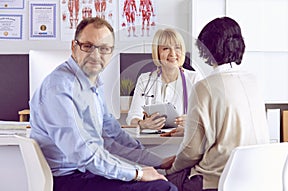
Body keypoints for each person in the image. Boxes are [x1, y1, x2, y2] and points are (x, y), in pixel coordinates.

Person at [29, 17, 177, 191]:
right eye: (88, 46)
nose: (96, 55)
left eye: (104, 49)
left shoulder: (93, 84)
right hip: (67, 180)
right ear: (74, 47)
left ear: (111, 52)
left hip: (86, 173)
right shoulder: (59, 88)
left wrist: (157, 161)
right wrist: (138, 173)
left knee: (162, 181)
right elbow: (83, 154)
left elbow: (113, 138)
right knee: (163, 189)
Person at [165, 17, 270, 191]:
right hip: (256, 178)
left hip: (217, 180)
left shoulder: (204, 87)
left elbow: (191, 152)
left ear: (206, 50)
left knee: (159, 180)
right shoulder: (254, 82)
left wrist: (172, 168)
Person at [126, 28, 203, 136]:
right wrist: (143, 124)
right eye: (166, 48)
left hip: (182, 144)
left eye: (177, 48)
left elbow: (207, 118)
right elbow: (132, 118)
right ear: (157, 52)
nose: (173, 53)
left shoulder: (195, 79)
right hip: (151, 143)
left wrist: (192, 122)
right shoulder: (145, 80)